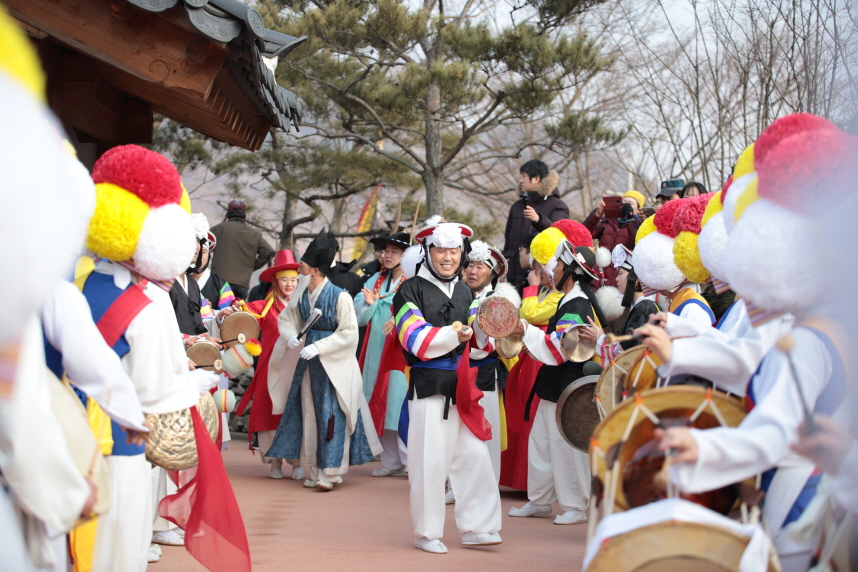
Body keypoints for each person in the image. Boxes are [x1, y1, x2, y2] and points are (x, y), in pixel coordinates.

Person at [392, 219, 502, 554]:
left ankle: (478, 526)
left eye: (454, 251)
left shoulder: (467, 291)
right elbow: (414, 339)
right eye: (441, 249)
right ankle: (427, 533)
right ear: (427, 251)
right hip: (429, 386)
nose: (448, 257)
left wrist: (490, 329)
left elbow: (481, 344)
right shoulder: (408, 290)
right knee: (429, 462)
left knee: (474, 457)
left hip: (463, 386)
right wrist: (456, 334)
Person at [265, 229, 380, 491]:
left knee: (332, 413)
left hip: (333, 363)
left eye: (303, 264)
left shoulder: (340, 296)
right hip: (307, 362)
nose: (300, 268)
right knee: (309, 411)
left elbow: (349, 334)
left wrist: (320, 346)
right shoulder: (302, 293)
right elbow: (287, 318)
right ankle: (315, 469)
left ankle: (332, 471)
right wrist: (292, 336)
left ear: (315, 269)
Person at [509, 230, 603, 526]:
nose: (552, 270)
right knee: (542, 443)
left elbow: (560, 348)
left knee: (566, 448)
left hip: (568, 386)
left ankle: (576, 505)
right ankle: (539, 499)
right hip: (555, 385)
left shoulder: (577, 305)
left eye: (558, 266)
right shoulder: (569, 300)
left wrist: (527, 330)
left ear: (571, 272)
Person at [499, 239, 564, 492]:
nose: (533, 273)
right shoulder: (549, 293)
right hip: (531, 357)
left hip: (541, 358)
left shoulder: (557, 295)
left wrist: (531, 289)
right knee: (520, 413)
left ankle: (532, 483)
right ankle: (520, 479)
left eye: (538, 268)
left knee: (532, 418)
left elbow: (530, 315)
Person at [234, 250, 300, 480]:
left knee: (294, 412)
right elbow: (242, 313)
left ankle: (297, 460)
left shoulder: (303, 305)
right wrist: (231, 309)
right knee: (270, 413)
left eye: (294, 279)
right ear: (275, 281)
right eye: (285, 279)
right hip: (270, 367)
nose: (290, 284)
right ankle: (275, 462)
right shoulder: (264, 306)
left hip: (295, 368)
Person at [354, 231, 410, 477]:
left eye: (393, 251)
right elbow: (359, 316)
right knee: (378, 401)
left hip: (399, 348)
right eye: (383, 251)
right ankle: (390, 461)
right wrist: (370, 303)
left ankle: (410, 460)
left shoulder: (413, 281)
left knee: (398, 402)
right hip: (375, 347)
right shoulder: (374, 280)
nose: (386, 256)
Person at [462, 241, 511, 482]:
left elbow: (491, 345)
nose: (472, 271)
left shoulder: (497, 302)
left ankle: (488, 483)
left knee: (486, 428)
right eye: (470, 265)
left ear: (492, 272)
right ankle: (460, 483)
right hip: (461, 372)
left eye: (479, 266)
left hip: (483, 373)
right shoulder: (459, 295)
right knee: (461, 431)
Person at [502, 159, 570, 291]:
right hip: (511, 277)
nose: (521, 181)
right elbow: (508, 243)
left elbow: (559, 235)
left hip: (540, 279)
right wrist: (503, 268)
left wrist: (539, 220)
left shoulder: (558, 206)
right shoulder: (517, 206)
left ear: (536, 179)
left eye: (524, 177)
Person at [210, 200, 274, 300]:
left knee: (215, 314)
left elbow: (201, 245)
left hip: (218, 281)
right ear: (245, 216)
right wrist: (250, 267)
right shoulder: (253, 233)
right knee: (237, 314)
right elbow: (268, 252)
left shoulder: (218, 229)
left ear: (228, 214)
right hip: (241, 284)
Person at [582, 191, 645, 286]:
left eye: (630, 203)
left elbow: (635, 245)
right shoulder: (608, 221)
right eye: (623, 202)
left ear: (639, 209)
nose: (625, 205)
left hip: (618, 281)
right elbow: (585, 233)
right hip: (597, 275)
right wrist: (597, 214)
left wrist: (630, 219)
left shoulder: (640, 226)